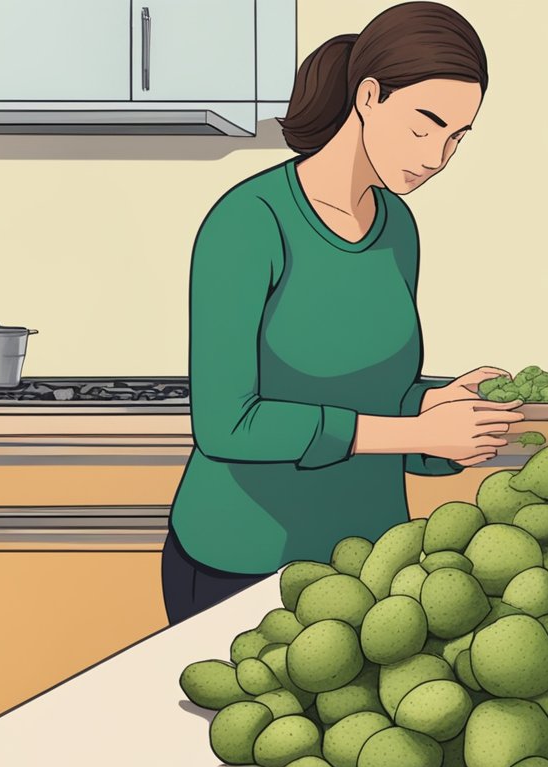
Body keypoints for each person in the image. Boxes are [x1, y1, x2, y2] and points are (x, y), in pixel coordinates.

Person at [161, 2, 521, 624]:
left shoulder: (396, 227)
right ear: (370, 97)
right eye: (425, 126)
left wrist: (437, 405)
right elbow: (226, 425)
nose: (438, 156)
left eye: (457, 138)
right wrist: (416, 432)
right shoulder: (249, 223)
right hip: (245, 563)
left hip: (371, 568)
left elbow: (375, 399)